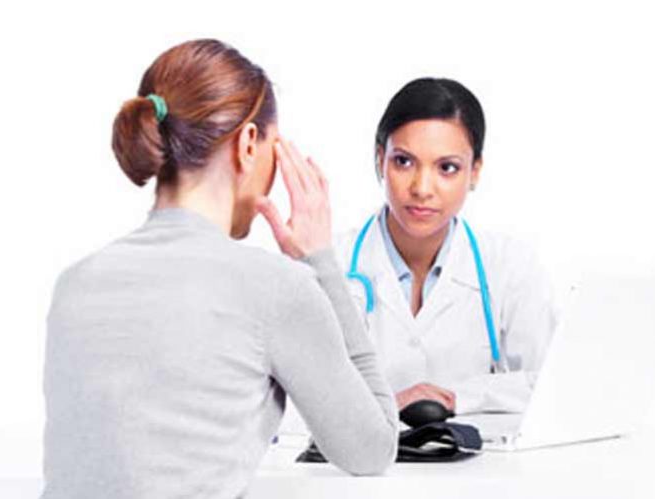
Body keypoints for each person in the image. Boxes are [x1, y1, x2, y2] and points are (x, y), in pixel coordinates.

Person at [41, 39, 398, 499]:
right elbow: (371, 449)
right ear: (248, 144)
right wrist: (320, 262)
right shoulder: (275, 287)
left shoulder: (74, 284)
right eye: (273, 149)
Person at [334, 78, 557, 416]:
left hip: (477, 452)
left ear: (474, 172)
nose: (422, 188)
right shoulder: (331, 265)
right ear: (380, 160)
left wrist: (457, 398)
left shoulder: (511, 266)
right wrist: (384, 407)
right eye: (403, 162)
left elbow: (552, 386)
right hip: (362, 452)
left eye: (447, 168)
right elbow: (293, 400)